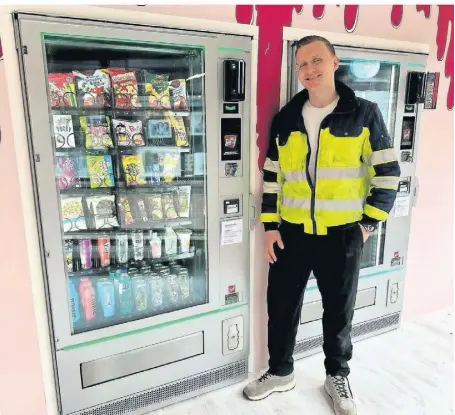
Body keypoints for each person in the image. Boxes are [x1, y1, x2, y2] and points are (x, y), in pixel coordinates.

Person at [243, 35, 401, 415]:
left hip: (342, 234)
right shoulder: (287, 118)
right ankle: (280, 371)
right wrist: (270, 226)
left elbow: (388, 175)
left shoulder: (364, 114)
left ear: (334, 62)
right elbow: (272, 177)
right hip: (292, 233)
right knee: (280, 305)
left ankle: (337, 375)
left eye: (316, 61)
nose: (308, 70)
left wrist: (367, 226)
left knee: (339, 311)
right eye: (301, 65)